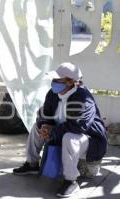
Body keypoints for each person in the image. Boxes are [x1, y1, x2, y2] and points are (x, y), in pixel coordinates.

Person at [13, 62, 107, 198]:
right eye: (53, 79)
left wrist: (52, 130)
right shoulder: (53, 94)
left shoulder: (83, 98)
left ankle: (71, 181)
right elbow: (45, 113)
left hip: (88, 141)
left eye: (58, 80)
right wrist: (45, 126)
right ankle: (32, 164)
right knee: (36, 128)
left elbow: (79, 126)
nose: (53, 83)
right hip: (63, 133)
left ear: (70, 82)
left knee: (70, 137)